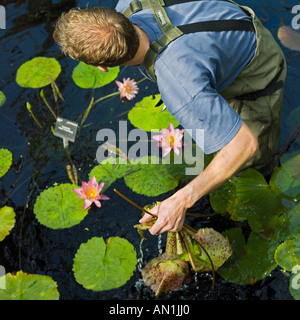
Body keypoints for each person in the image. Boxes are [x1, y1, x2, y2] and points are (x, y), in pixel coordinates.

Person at [53, 0, 286, 236]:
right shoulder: (127, 3)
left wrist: (182, 200)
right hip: (227, 22)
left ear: (102, 67)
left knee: (253, 163)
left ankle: (265, 218)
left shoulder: (178, 83)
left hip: (256, 66)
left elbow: (245, 145)